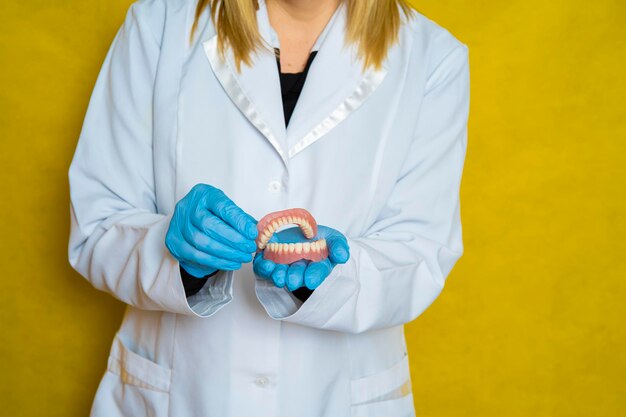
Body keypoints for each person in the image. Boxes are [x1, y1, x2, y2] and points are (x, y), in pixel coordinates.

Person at [67, 0, 470, 415]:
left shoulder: (433, 57)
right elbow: (98, 226)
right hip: (183, 394)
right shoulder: (159, 25)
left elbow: (421, 252)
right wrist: (176, 257)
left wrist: (333, 279)